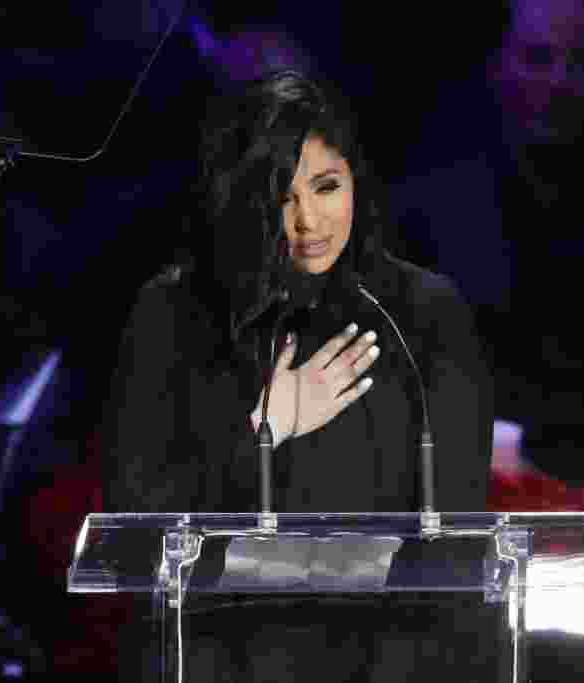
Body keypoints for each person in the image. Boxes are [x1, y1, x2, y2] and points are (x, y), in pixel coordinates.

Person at [101, 70, 495, 682]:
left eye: (326, 186)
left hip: (385, 660)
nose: (309, 221)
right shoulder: (175, 312)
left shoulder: (423, 313)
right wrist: (266, 426)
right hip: (222, 657)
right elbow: (137, 529)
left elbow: (457, 542)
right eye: (282, 196)